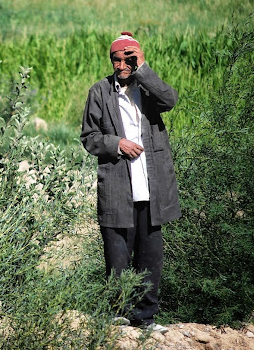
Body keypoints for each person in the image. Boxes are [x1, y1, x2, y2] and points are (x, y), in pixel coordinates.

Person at [80, 32, 181, 334]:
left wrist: (143, 69)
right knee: (118, 256)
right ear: (110, 60)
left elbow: (170, 99)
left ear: (137, 58)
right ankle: (117, 315)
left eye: (128, 58)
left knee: (151, 258)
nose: (121, 64)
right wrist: (117, 143)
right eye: (116, 58)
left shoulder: (148, 90)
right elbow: (89, 137)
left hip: (151, 188)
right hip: (117, 187)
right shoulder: (100, 92)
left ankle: (146, 318)